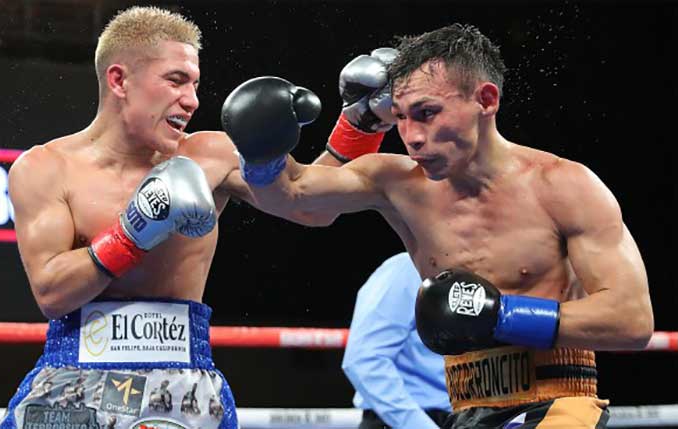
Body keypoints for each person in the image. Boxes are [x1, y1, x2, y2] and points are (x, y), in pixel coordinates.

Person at [221, 23, 654, 428]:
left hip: (560, 404)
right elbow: (295, 197)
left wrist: (501, 316)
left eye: (426, 113)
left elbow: (631, 320)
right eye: (401, 116)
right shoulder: (397, 183)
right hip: (463, 410)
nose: (410, 136)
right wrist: (261, 155)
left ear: (486, 100)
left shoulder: (562, 185)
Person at [0, 6, 325, 429]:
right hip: (74, 381)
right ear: (119, 80)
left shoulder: (212, 156)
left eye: (194, 84)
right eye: (175, 80)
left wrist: (360, 123)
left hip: (184, 384)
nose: (190, 100)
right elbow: (52, 294)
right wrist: (134, 230)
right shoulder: (46, 168)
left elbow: (309, 205)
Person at [342, 252, 451, 429]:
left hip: (463, 417)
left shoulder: (485, 274)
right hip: (405, 420)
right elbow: (364, 360)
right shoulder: (404, 270)